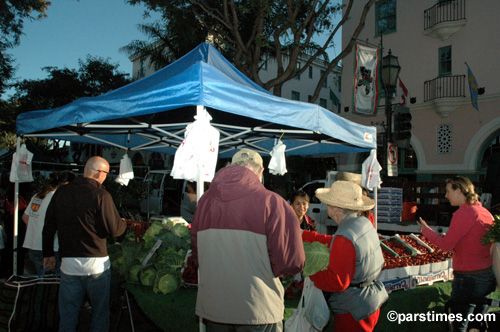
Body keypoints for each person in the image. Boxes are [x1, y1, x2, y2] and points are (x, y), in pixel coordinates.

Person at [190, 148, 305, 332]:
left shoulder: (204, 203)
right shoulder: (273, 203)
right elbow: (290, 263)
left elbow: (197, 257)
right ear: (260, 172)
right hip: (258, 308)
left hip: (214, 308)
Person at [43, 156, 126, 332]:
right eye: (106, 173)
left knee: (67, 315)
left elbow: (48, 226)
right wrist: (124, 222)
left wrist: (47, 253)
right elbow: (115, 230)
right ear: (99, 173)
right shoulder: (101, 195)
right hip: (96, 266)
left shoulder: (61, 192)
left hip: (69, 265)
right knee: (99, 314)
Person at [302, 181, 388, 332]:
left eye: (328, 203)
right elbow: (334, 242)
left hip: (354, 309)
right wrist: (305, 235)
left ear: (335, 208)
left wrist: (309, 269)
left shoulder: (346, 235)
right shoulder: (362, 223)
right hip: (369, 301)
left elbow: (337, 282)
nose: (326, 206)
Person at [417, 176, 495, 332]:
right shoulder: (484, 212)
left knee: (459, 325)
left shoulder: (464, 213)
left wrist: (425, 230)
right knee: (476, 325)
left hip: (468, 279)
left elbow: (446, 246)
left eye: (448, 191)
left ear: (459, 191)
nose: (446, 196)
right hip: (485, 276)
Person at [22, 171, 76, 275]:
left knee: (43, 284)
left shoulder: (38, 195)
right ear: (67, 184)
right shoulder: (59, 197)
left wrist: (38, 229)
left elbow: (25, 217)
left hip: (33, 246)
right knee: (54, 285)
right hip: (51, 249)